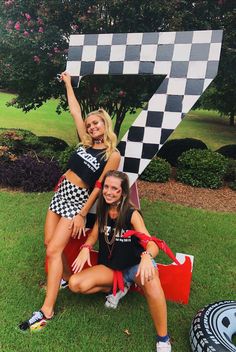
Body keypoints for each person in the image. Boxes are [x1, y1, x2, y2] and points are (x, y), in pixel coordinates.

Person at [19, 72, 121, 331]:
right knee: (48, 243)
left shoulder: (112, 154)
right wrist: (67, 82)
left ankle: (47, 310)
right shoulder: (85, 143)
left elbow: (99, 186)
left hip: (78, 201)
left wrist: (82, 214)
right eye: (89, 125)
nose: (91, 127)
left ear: (105, 125)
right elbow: (75, 110)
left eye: (96, 123)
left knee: (53, 250)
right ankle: (64, 277)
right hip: (61, 193)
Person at [68, 170, 172, 352]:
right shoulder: (103, 209)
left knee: (151, 280)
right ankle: (120, 287)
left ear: (123, 193)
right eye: (106, 187)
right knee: (75, 284)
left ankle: (163, 339)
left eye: (114, 188)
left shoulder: (131, 214)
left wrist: (147, 256)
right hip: (112, 268)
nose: (108, 192)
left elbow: (152, 243)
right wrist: (86, 248)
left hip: (135, 266)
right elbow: (93, 235)